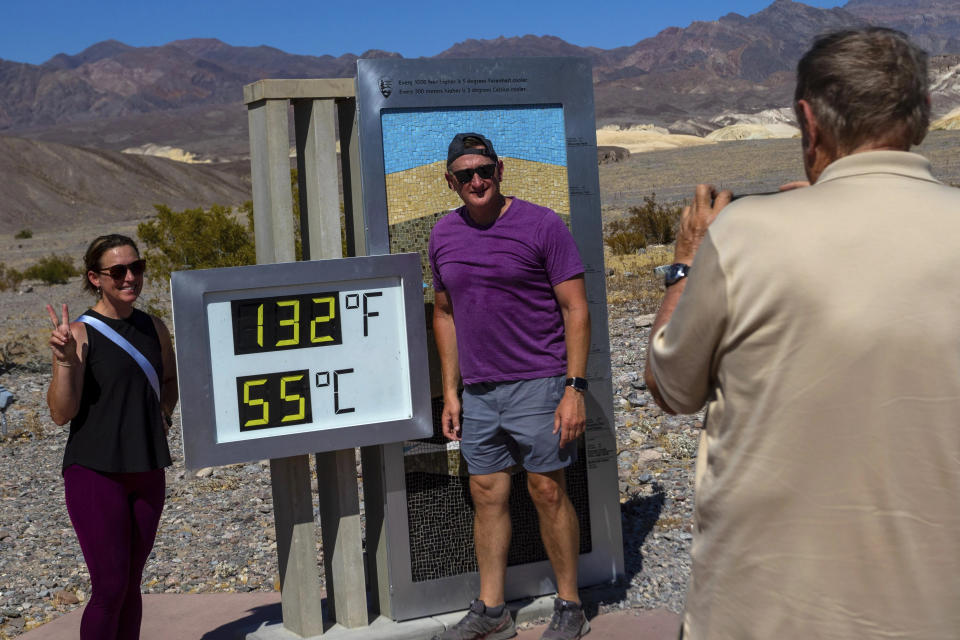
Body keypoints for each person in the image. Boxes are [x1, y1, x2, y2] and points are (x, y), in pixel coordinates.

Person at [644, 28, 960, 639]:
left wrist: (686, 264)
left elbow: (669, 387)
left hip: (763, 613)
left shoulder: (746, 236)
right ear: (922, 117)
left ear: (808, 122)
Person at [429, 133, 591, 640]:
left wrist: (574, 388)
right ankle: (493, 610)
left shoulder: (541, 224)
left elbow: (576, 308)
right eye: (465, 175)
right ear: (450, 182)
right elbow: (445, 314)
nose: (477, 181)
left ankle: (570, 605)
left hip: (540, 383)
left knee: (547, 490)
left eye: (485, 170)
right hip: (479, 392)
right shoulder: (443, 236)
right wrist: (451, 391)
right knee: (486, 494)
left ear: (501, 170)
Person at [46, 234, 177, 640]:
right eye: (117, 271)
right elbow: (60, 413)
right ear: (95, 278)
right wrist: (66, 363)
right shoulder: (80, 334)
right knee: (109, 587)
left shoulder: (153, 327)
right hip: (95, 473)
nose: (130, 277)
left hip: (147, 470)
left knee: (131, 585)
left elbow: (169, 381)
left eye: (136, 267)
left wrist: (162, 418)